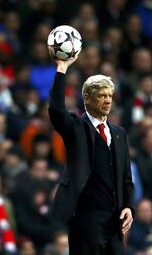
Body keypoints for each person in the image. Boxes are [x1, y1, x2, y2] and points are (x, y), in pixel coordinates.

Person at [48, 56, 134, 254]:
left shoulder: (119, 133)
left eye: (110, 95)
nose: (107, 100)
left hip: (114, 221)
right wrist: (62, 69)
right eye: (102, 95)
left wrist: (129, 205)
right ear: (86, 98)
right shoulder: (76, 128)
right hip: (85, 218)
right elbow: (56, 109)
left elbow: (126, 177)